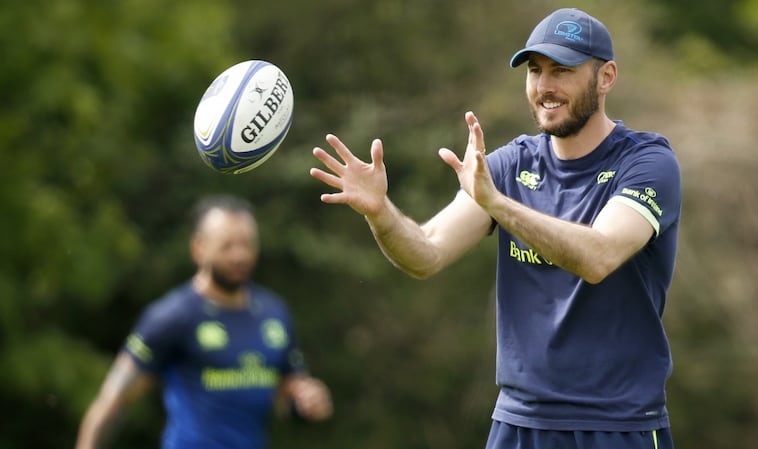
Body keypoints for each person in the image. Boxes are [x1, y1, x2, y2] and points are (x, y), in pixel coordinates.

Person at [310, 7, 680, 449]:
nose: (545, 86)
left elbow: (598, 256)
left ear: (606, 77)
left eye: (562, 70)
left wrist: (497, 204)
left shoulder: (647, 163)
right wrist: (380, 211)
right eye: (535, 71)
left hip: (617, 424)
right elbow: (426, 253)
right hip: (519, 423)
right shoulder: (508, 165)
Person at [75, 194, 333, 449]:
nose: (239, 255)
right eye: (227, 246)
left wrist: (309, 401)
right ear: (198, 248)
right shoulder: (172, 316)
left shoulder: (273, 312)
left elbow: (289, 394)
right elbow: (113, 401)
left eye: (247, 244)